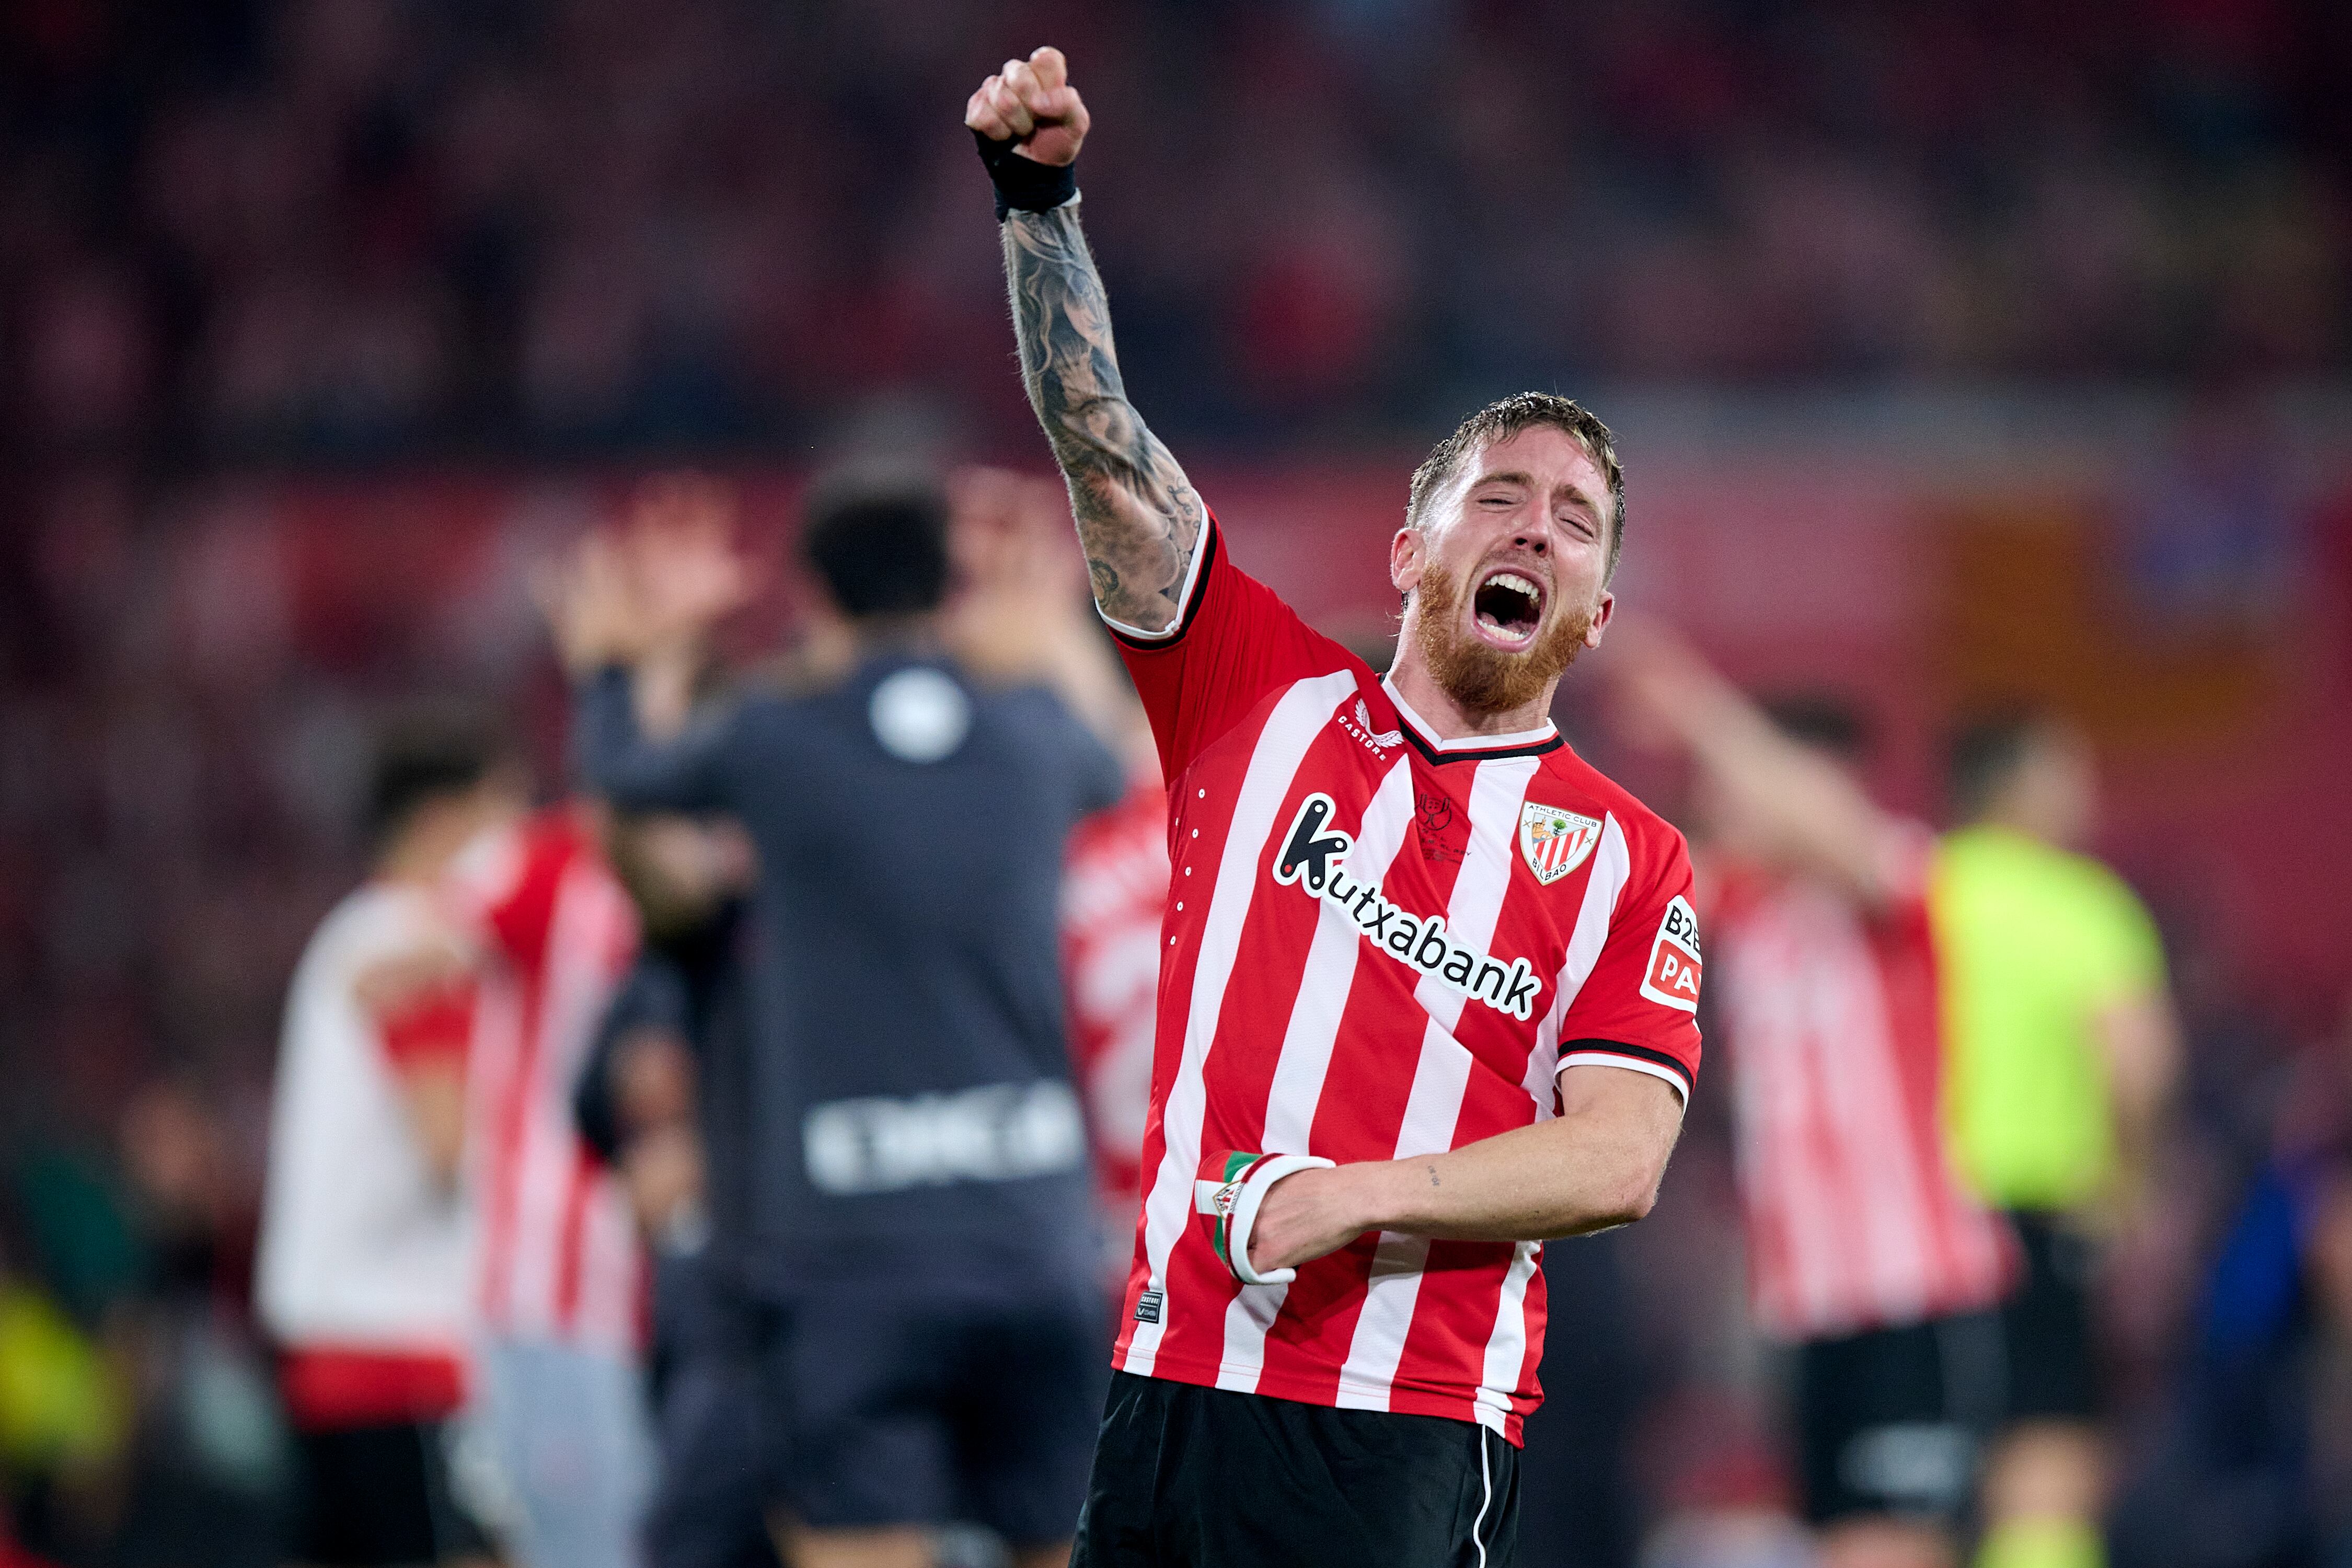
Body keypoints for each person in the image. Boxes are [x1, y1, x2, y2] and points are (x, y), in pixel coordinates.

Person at [970, 48, 1701, 1567]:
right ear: (1408, 555)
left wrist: (1352, 1199)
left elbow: (1618, 1158)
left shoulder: (1628, 860)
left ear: (1598, 613)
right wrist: (1040, 206)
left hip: (1408, 1419)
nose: (1535, 530)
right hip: (1167, 1377)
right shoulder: (1254, 692)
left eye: (1573, 523)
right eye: (1498, 497)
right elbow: (1104, 455)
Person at [544, 470, 1126, 1568]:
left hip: (851, 1256)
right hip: (1029, 1233)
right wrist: (1049, 636)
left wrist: (619, 665)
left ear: (810, 600)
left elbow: (623, 776)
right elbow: (1117, 769)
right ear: (952, 591)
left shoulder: (773, 738)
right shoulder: (1033, 734)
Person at [1612, 632, 2021, 1568]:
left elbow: (1827, 830)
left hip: (1907, 1293)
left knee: (1888, 1550)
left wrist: (1698, 707)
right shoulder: (1745, 908)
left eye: (1745, 782)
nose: (1721, 799)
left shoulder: (1898, 886)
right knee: (1840, 1542)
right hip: (1806, 1307)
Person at [255, 708, 515, 1568]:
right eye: (504, 815)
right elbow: (447, 1140)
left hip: (335, 1354)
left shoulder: (352, 930)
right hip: (402, 1350)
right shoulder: (417, 940)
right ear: (445, 821)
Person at [1933, 712, 2182, 1568]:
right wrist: (2130, 1185)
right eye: (2071, 773)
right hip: (2032, 1215)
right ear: (2025, 784)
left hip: (1911, 1223)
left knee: (1914, 1467)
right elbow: (2141, 1064)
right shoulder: (2079, 905)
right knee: (2047, 1460)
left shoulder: (1917, 892)